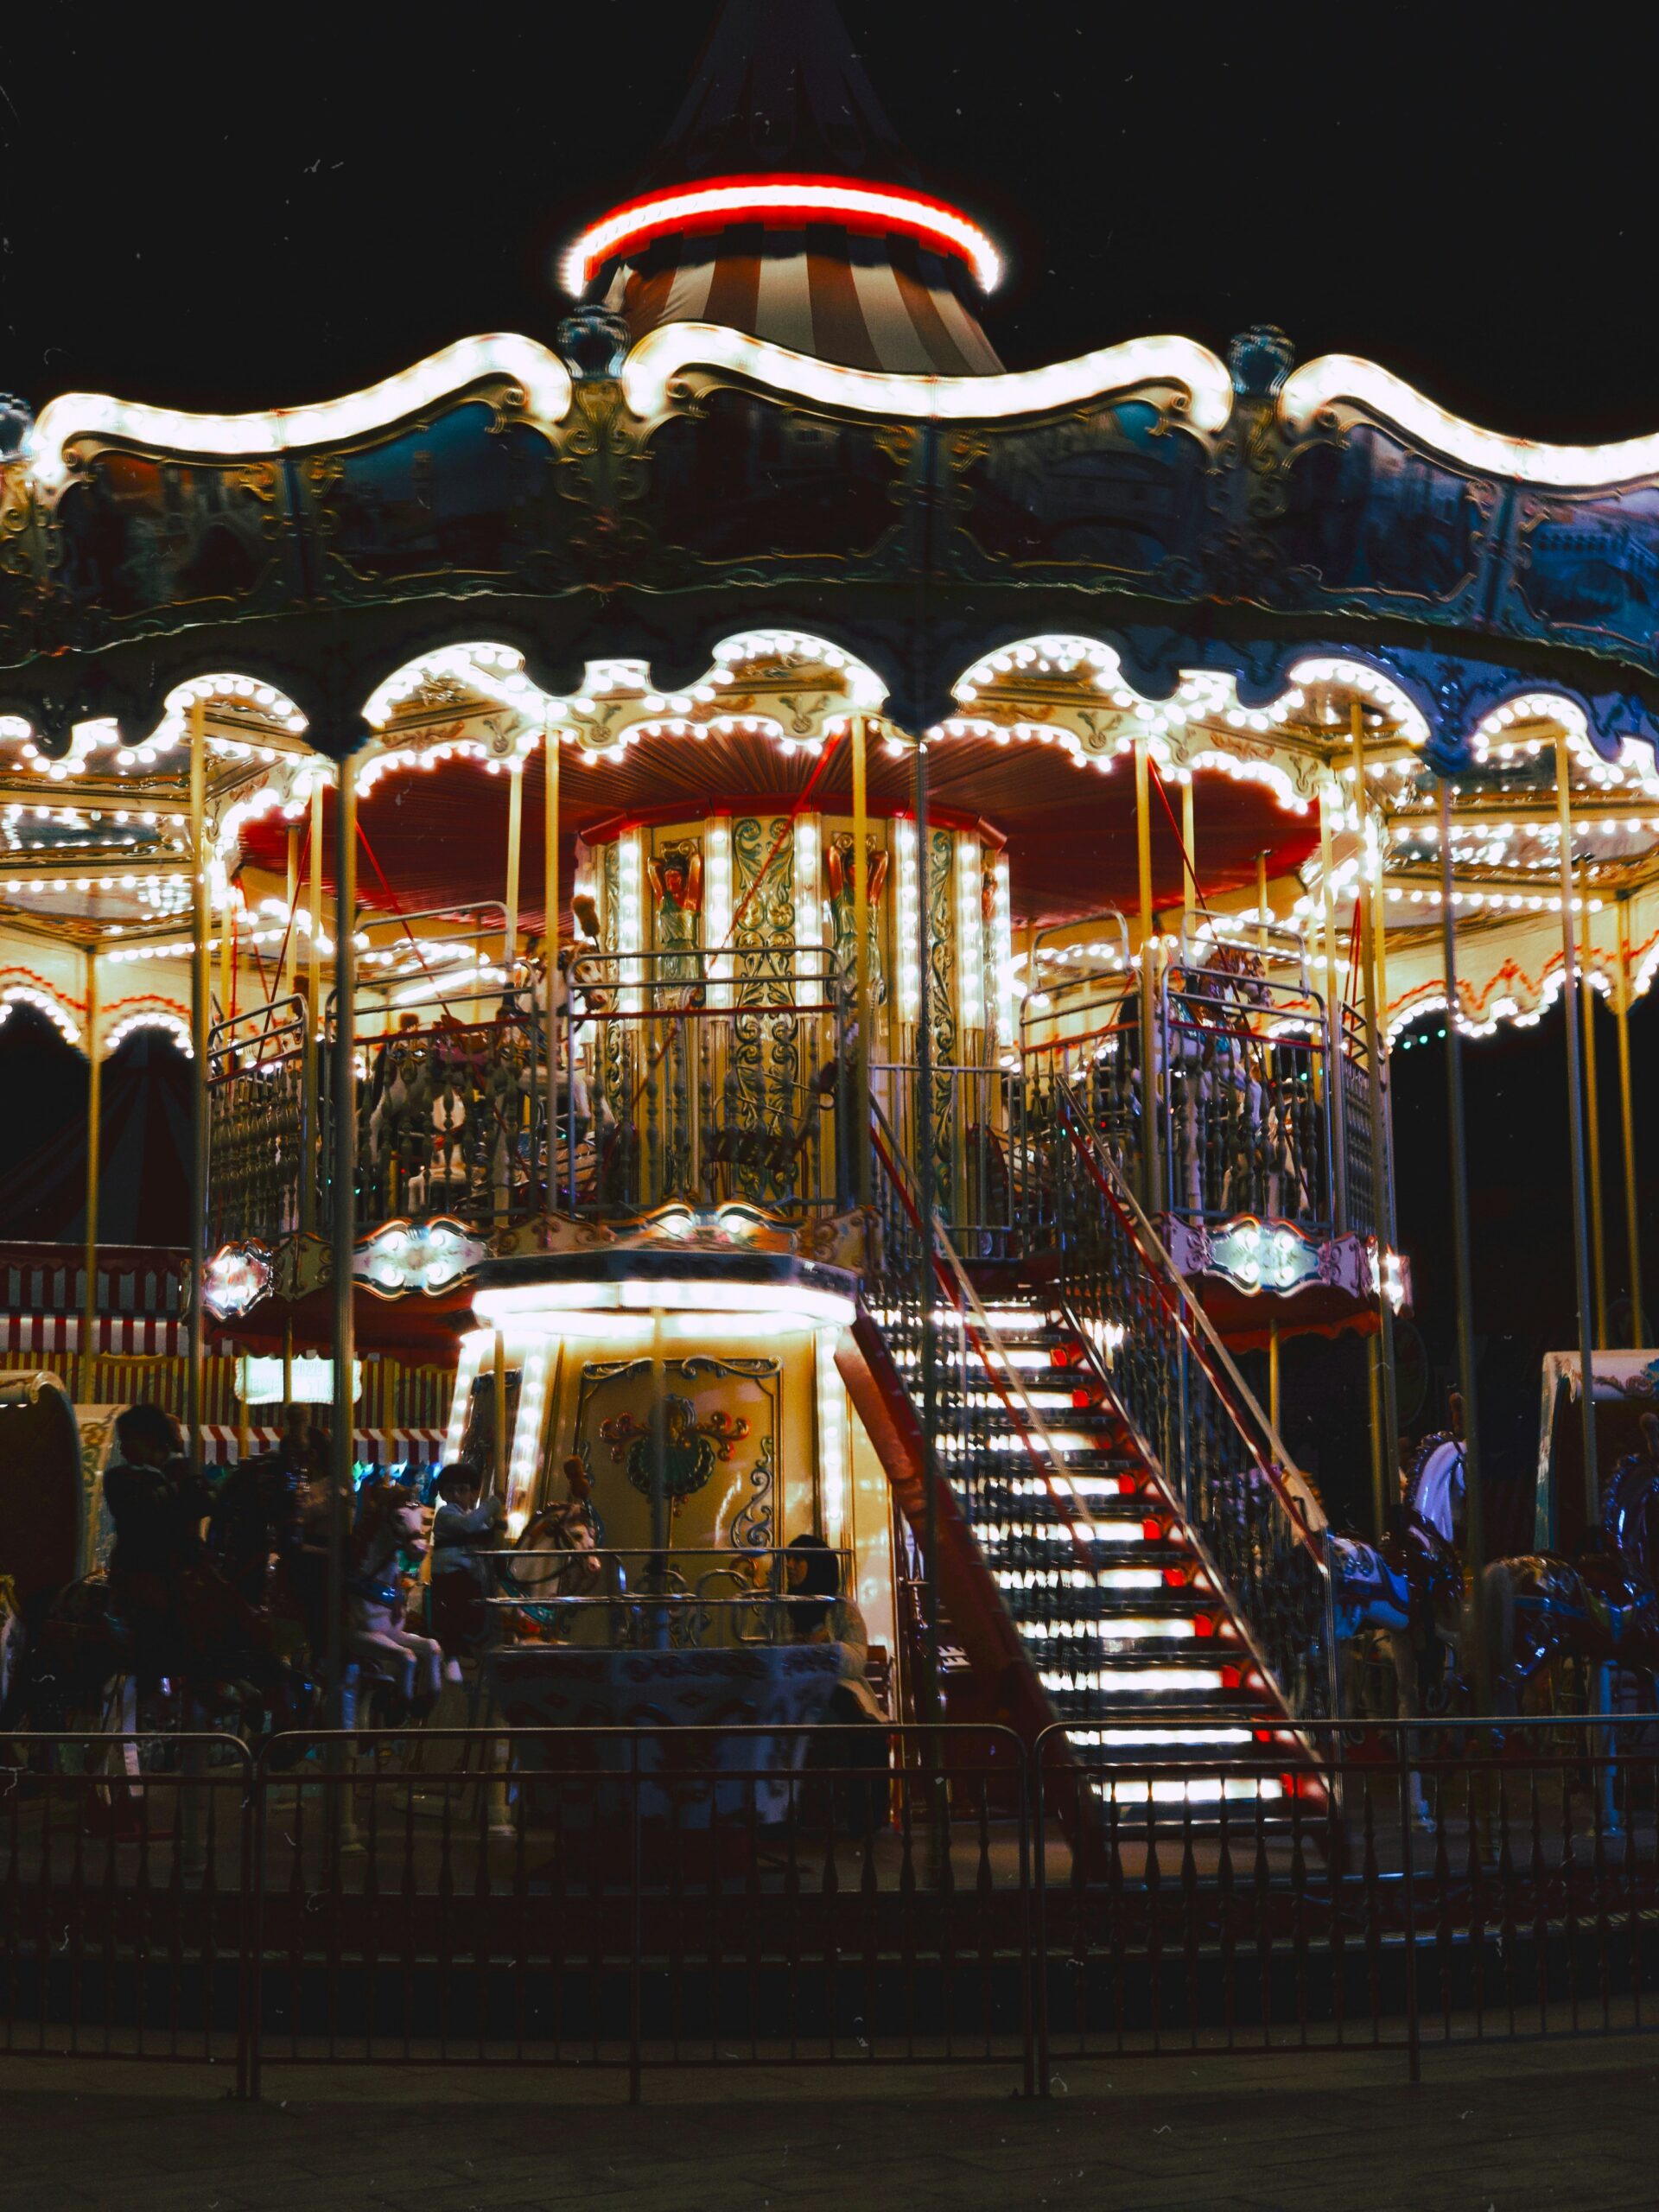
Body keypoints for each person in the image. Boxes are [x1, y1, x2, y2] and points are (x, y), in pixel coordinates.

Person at [103, 1403, 214, 1684]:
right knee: (155, 1607)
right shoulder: (122, 1478)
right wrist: (180, 1491)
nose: (123, 1447)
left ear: (149, 1439)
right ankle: (152, 1671)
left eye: (128, 1439)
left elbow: (204, 1503)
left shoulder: (179, 1470)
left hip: (183, 1560)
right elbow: (141, 1512)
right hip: (143, 1565)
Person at [429, 1464, 506, 1662]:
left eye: (462, 1490)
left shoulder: (475, 1518)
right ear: (443, 1495)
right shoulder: (447, 1514)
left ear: (472, 1494)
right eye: (450, 1490)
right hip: (450, 1571)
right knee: (462, 1597)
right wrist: (493, 1504)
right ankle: (452, 1648)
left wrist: (496, 1529)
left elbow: (481, 1536)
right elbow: (466, 1526)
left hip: (473, 1571)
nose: (455, 1495)